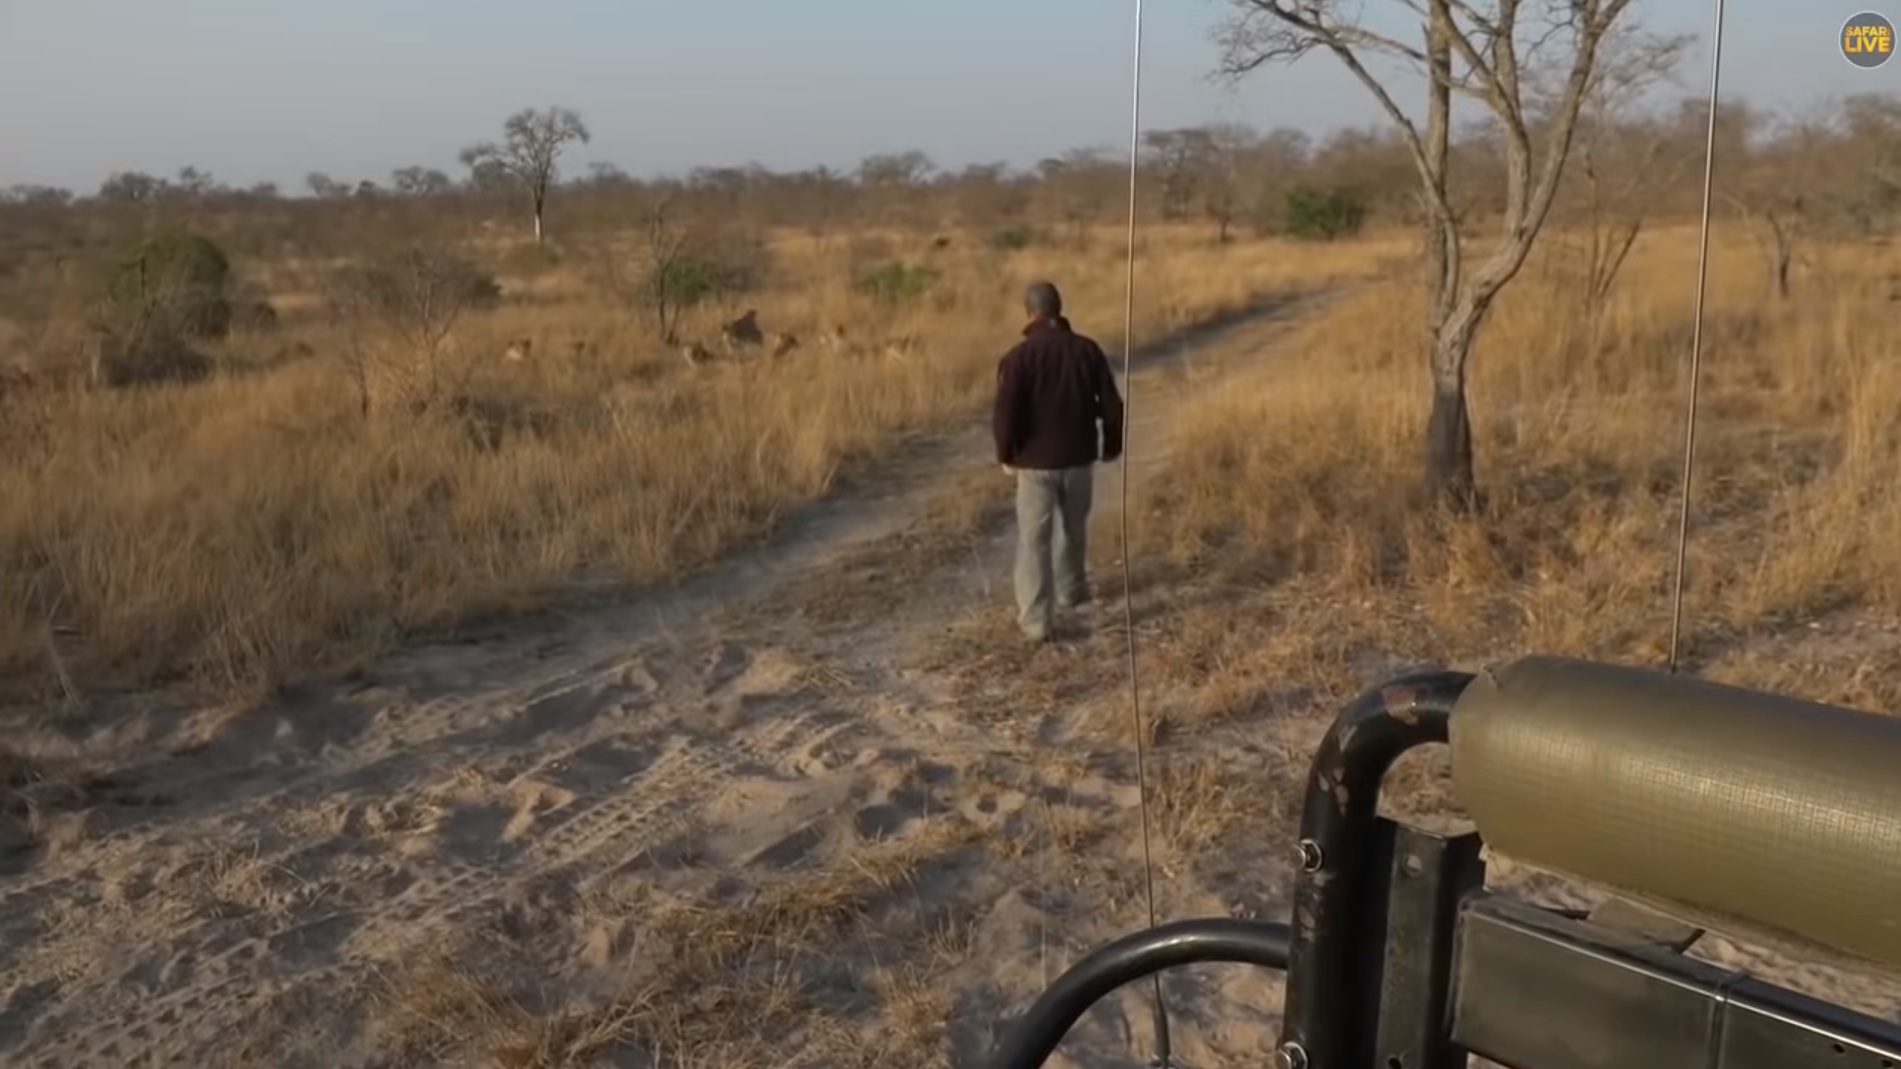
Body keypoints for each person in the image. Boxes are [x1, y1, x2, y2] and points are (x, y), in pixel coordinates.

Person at [992, 280, 1125, 643]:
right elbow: (1113, 405)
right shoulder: (1088, 351)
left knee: (1034, 541)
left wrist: (1006, 453)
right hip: (1079, 459)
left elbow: (1005, 415)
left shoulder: (1017, 359)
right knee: (1074, 529)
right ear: (1059, 309)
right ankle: (1073, 592)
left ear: (1029, 312)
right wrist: (1111, 445)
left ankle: (1036, 621)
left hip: (1035, 466)